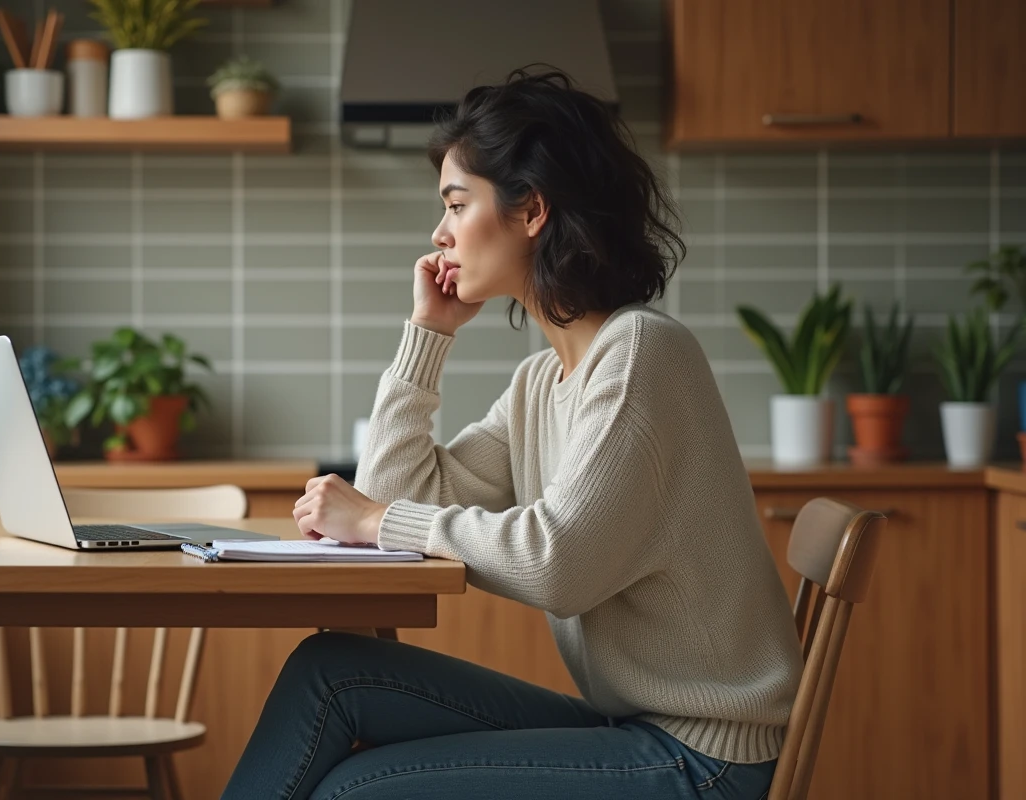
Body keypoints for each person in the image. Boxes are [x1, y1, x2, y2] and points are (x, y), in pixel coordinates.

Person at [221, 67, 802, 800]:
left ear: (531, 211)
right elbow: (397, 495)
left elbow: (558, 565)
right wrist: (427, 336)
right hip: (634, 725)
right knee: (331, 673)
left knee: (356, 791)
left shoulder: (640, 354)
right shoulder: (542, 384)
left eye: (457, 204)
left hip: (705, 758)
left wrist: (374, 519)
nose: (438, 234)